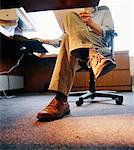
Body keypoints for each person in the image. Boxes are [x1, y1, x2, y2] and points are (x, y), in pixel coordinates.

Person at [36, 5, 116, 121]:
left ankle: (61, 100)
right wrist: (41, 40)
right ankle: (92, 56)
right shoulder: (74, 14)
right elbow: (59, 41)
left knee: (69, 39)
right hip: (75, 44)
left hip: (97, 41)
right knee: (67, 34)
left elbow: (108, 33)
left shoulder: (103, 9)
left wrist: (91, 23)